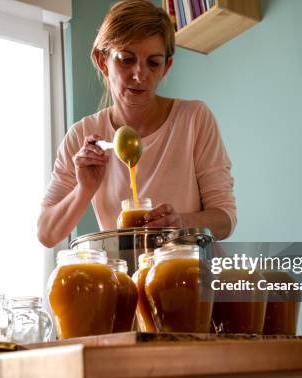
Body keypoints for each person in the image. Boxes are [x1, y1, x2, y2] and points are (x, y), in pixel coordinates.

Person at [37, 0, 236, 248]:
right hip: (126, 279)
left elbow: (225, 219)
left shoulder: (194, 118)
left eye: (153, 63)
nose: (140, 75)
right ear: (102, 61)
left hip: (194, 275)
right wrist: (84, 189)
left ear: (166, 67)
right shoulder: (82, 136)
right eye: (126, 59)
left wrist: (179, 223)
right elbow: (47, 233)